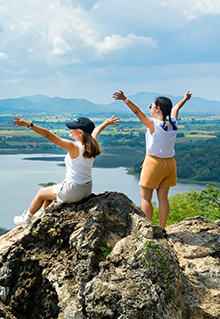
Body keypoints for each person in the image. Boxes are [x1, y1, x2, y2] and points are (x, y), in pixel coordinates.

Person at [12, 114, 120, 226]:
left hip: (73, 190)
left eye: (73, 128)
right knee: (48, 194)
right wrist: (106, 122)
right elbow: (97, 130)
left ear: (80, 132)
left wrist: (29, 125)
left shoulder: (73, 146)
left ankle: (26, 220)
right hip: (86, 189)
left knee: (41, 193)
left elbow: (48, 135)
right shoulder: (91, 144)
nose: (70, 130)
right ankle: (44, 216)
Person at [112, 90, 192, 229]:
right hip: (170, 164)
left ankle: (147, 229)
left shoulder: (153, 124)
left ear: (158, 109)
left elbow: (137, 112)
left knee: (145, 198)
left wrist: (125, 99)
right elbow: (176, 108)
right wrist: (185, 99)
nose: (150, 108)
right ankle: (162, 228)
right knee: (163, 199)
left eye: (151, 106)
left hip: (154, 163)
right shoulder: (173, 122)